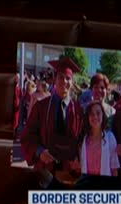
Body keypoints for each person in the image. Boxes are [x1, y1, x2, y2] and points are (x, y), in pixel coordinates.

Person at [20, 56, 83, 189]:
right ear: (54, 79)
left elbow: (82, 139)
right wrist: (39, 151)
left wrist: (78, 158)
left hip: (68, 170)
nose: (64, 81)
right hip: (45, 170)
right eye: (61, 77)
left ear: (72, 82)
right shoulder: (41, 107)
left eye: (68, 78)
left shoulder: (78, 110)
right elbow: (27, 136)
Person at [78, 101, 120, 177]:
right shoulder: (83, 139)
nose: (95, 117)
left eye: (98, 113)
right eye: (91, 114)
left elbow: (114, 169)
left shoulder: (110, 138)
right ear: (88, 117)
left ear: (103, 115)